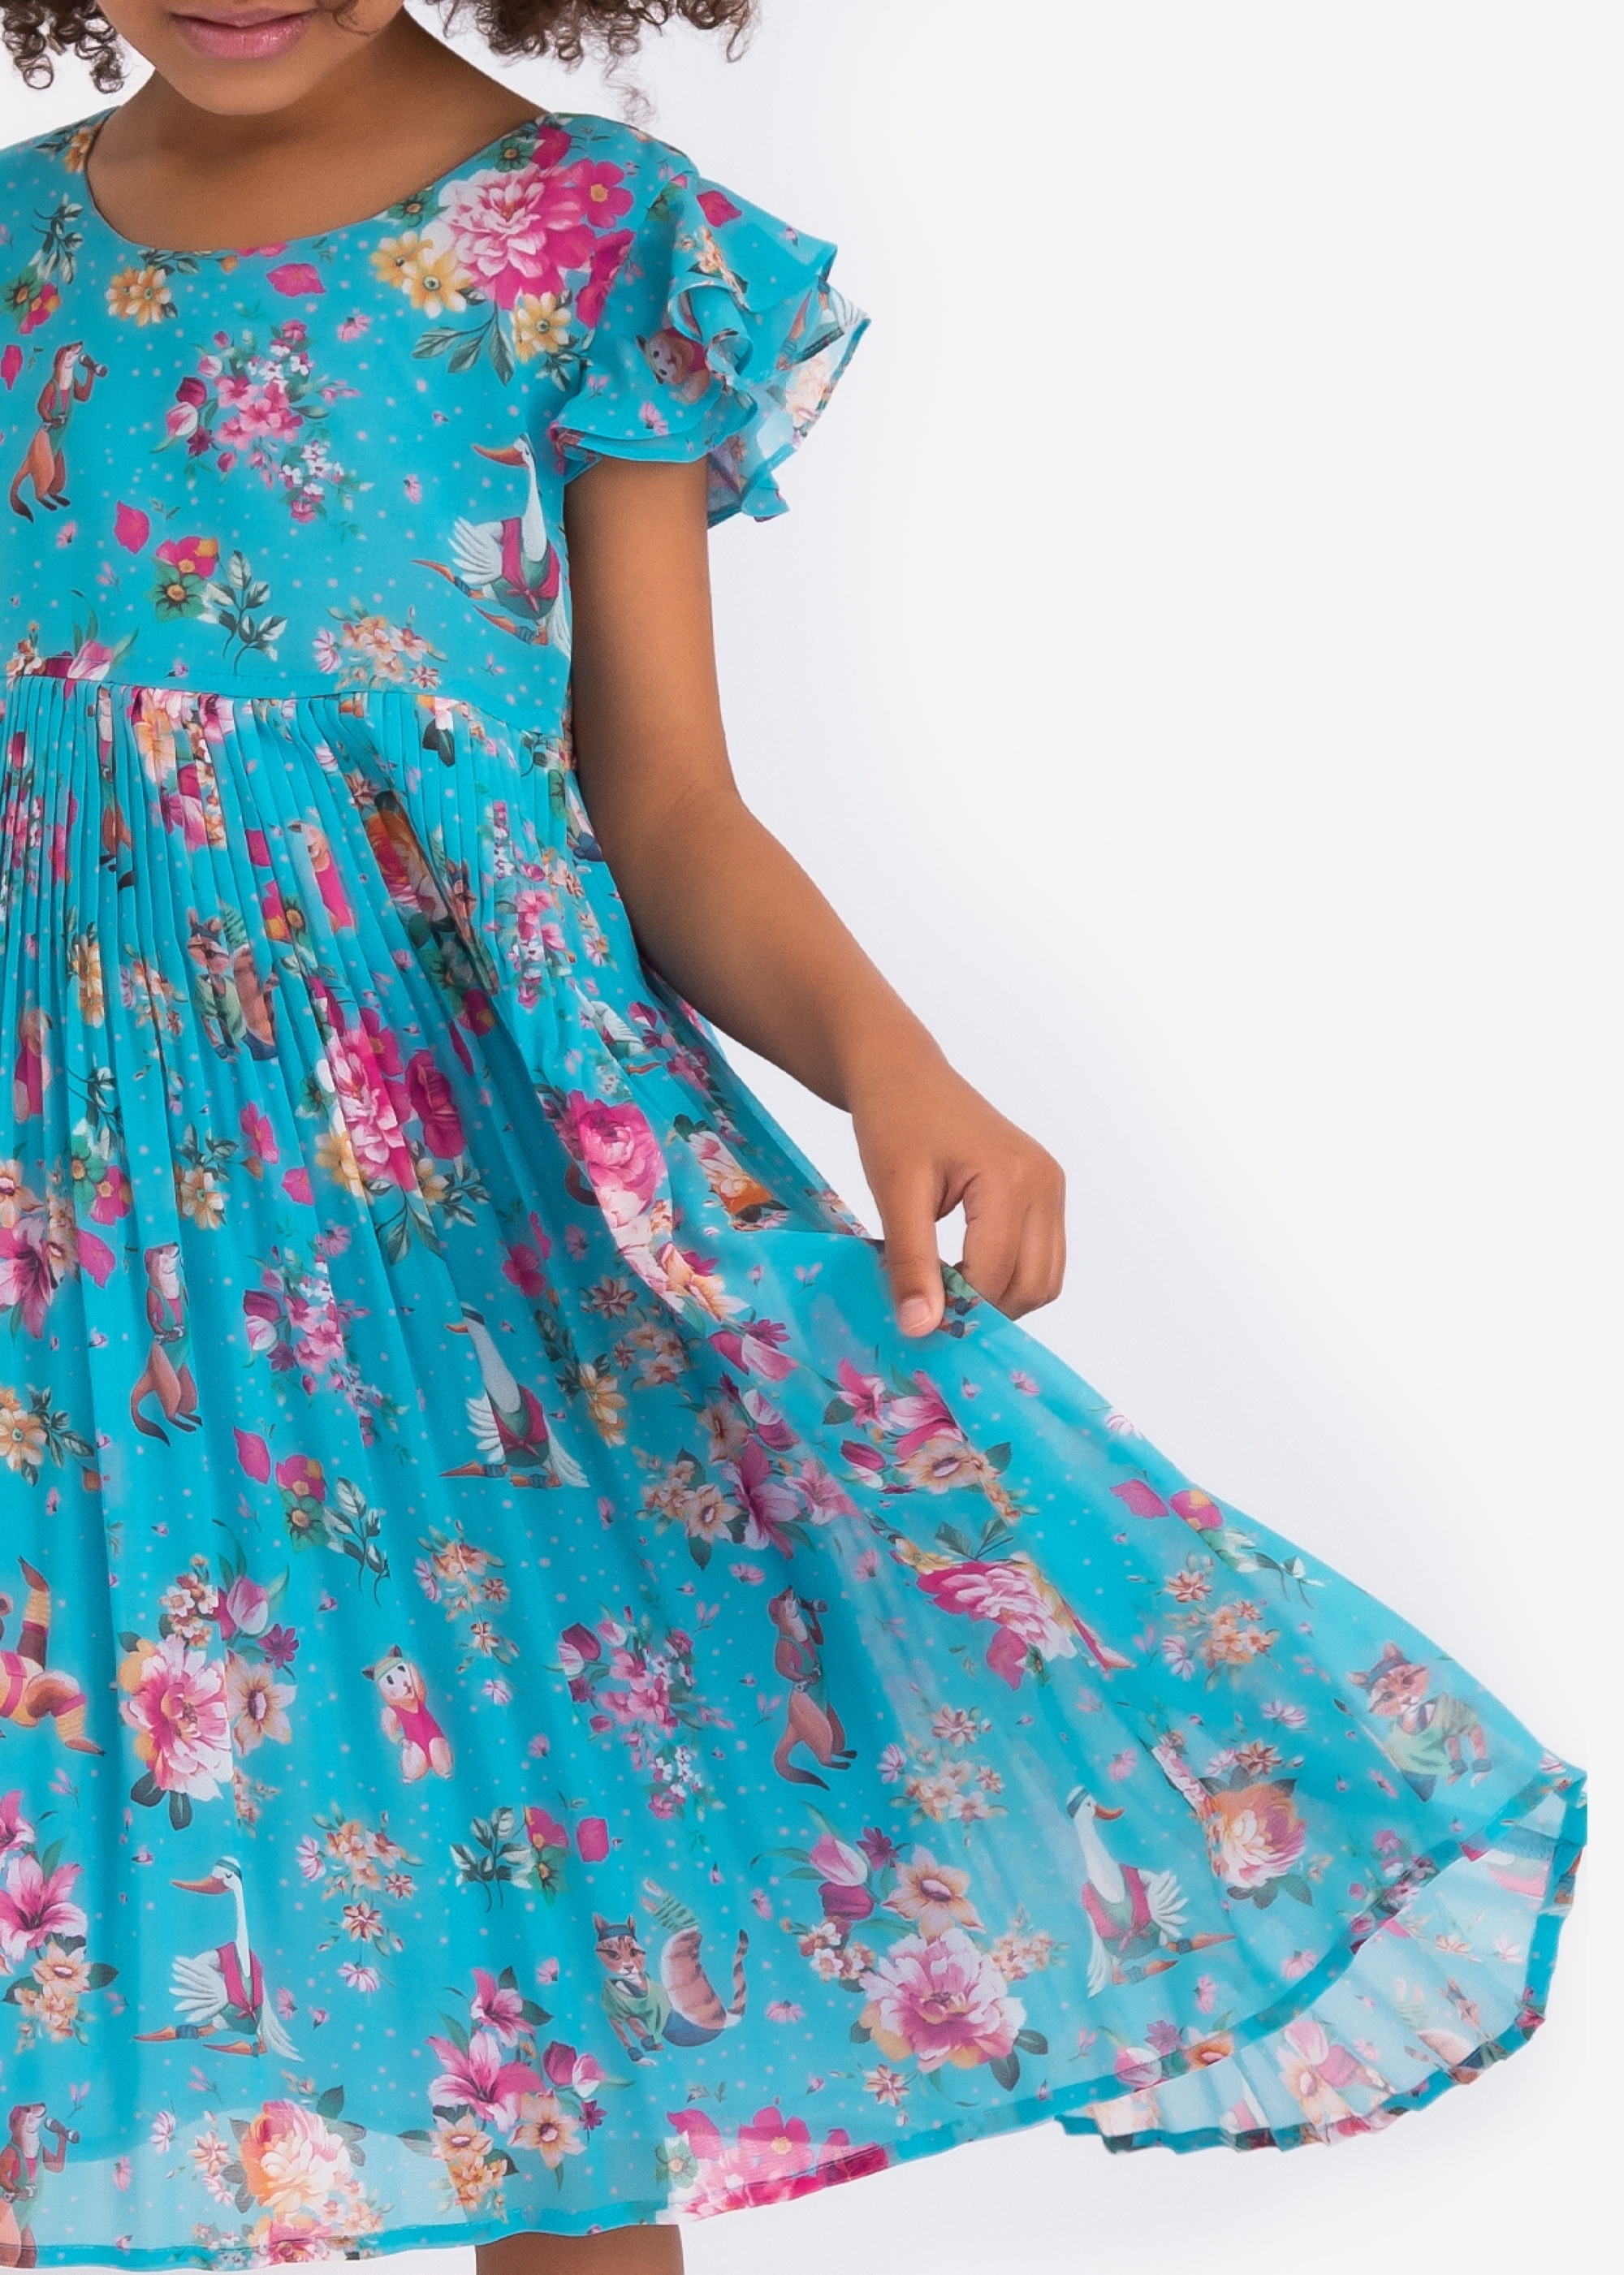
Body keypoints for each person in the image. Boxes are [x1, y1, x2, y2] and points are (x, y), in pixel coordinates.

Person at [0, 4, 1584, 2271]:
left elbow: (663, 800)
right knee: (72, 1924)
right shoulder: (16, 249)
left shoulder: (580, 236)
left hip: (452, 1247)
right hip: (67, 1239)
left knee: (546, 1974)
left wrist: (888, 1063)